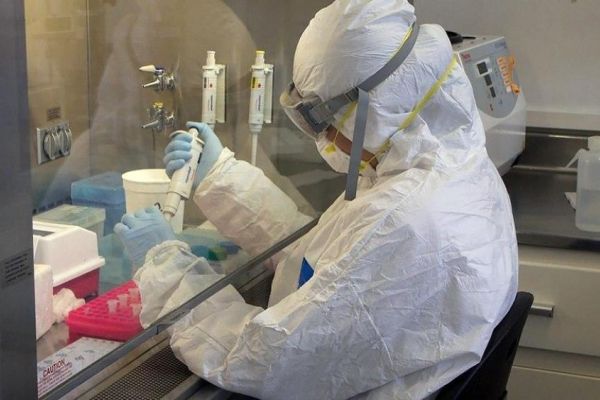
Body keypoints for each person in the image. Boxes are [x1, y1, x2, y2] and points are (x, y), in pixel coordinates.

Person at [115, 0, 518, 398]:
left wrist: (167, 269)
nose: (323, 138)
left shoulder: (407, 218)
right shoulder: (441, 166)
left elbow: (262, 361)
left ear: (374, 111)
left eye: (321, 121)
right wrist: (221, 177)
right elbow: (325, 257)